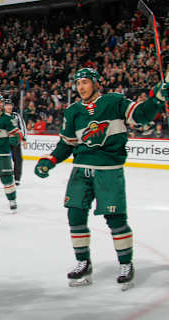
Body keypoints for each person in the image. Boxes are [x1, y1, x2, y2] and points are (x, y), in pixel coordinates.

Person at [34, 67, 168, 290]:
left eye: (85, 82)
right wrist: (50, 160)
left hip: (109, 171)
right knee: (75, 215)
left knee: (115, 219)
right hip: (80, 171)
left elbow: (140, 115)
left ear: (96, 83)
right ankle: (83, 263)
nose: (81, 87)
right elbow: (67, 144)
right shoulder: (73, 111)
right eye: (78, 84)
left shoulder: (114, 101)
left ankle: (126, 264)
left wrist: (156, 99)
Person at [4, 100, 27, 186]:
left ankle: (17, 178)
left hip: (15, 141)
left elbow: (22, 127)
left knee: (18, 159)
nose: (9, 107)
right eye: (7, 105)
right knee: (4, 160)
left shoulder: (16, 116)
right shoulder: (1, 116)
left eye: (10, 105)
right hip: (4, 141)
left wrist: (24, 139)